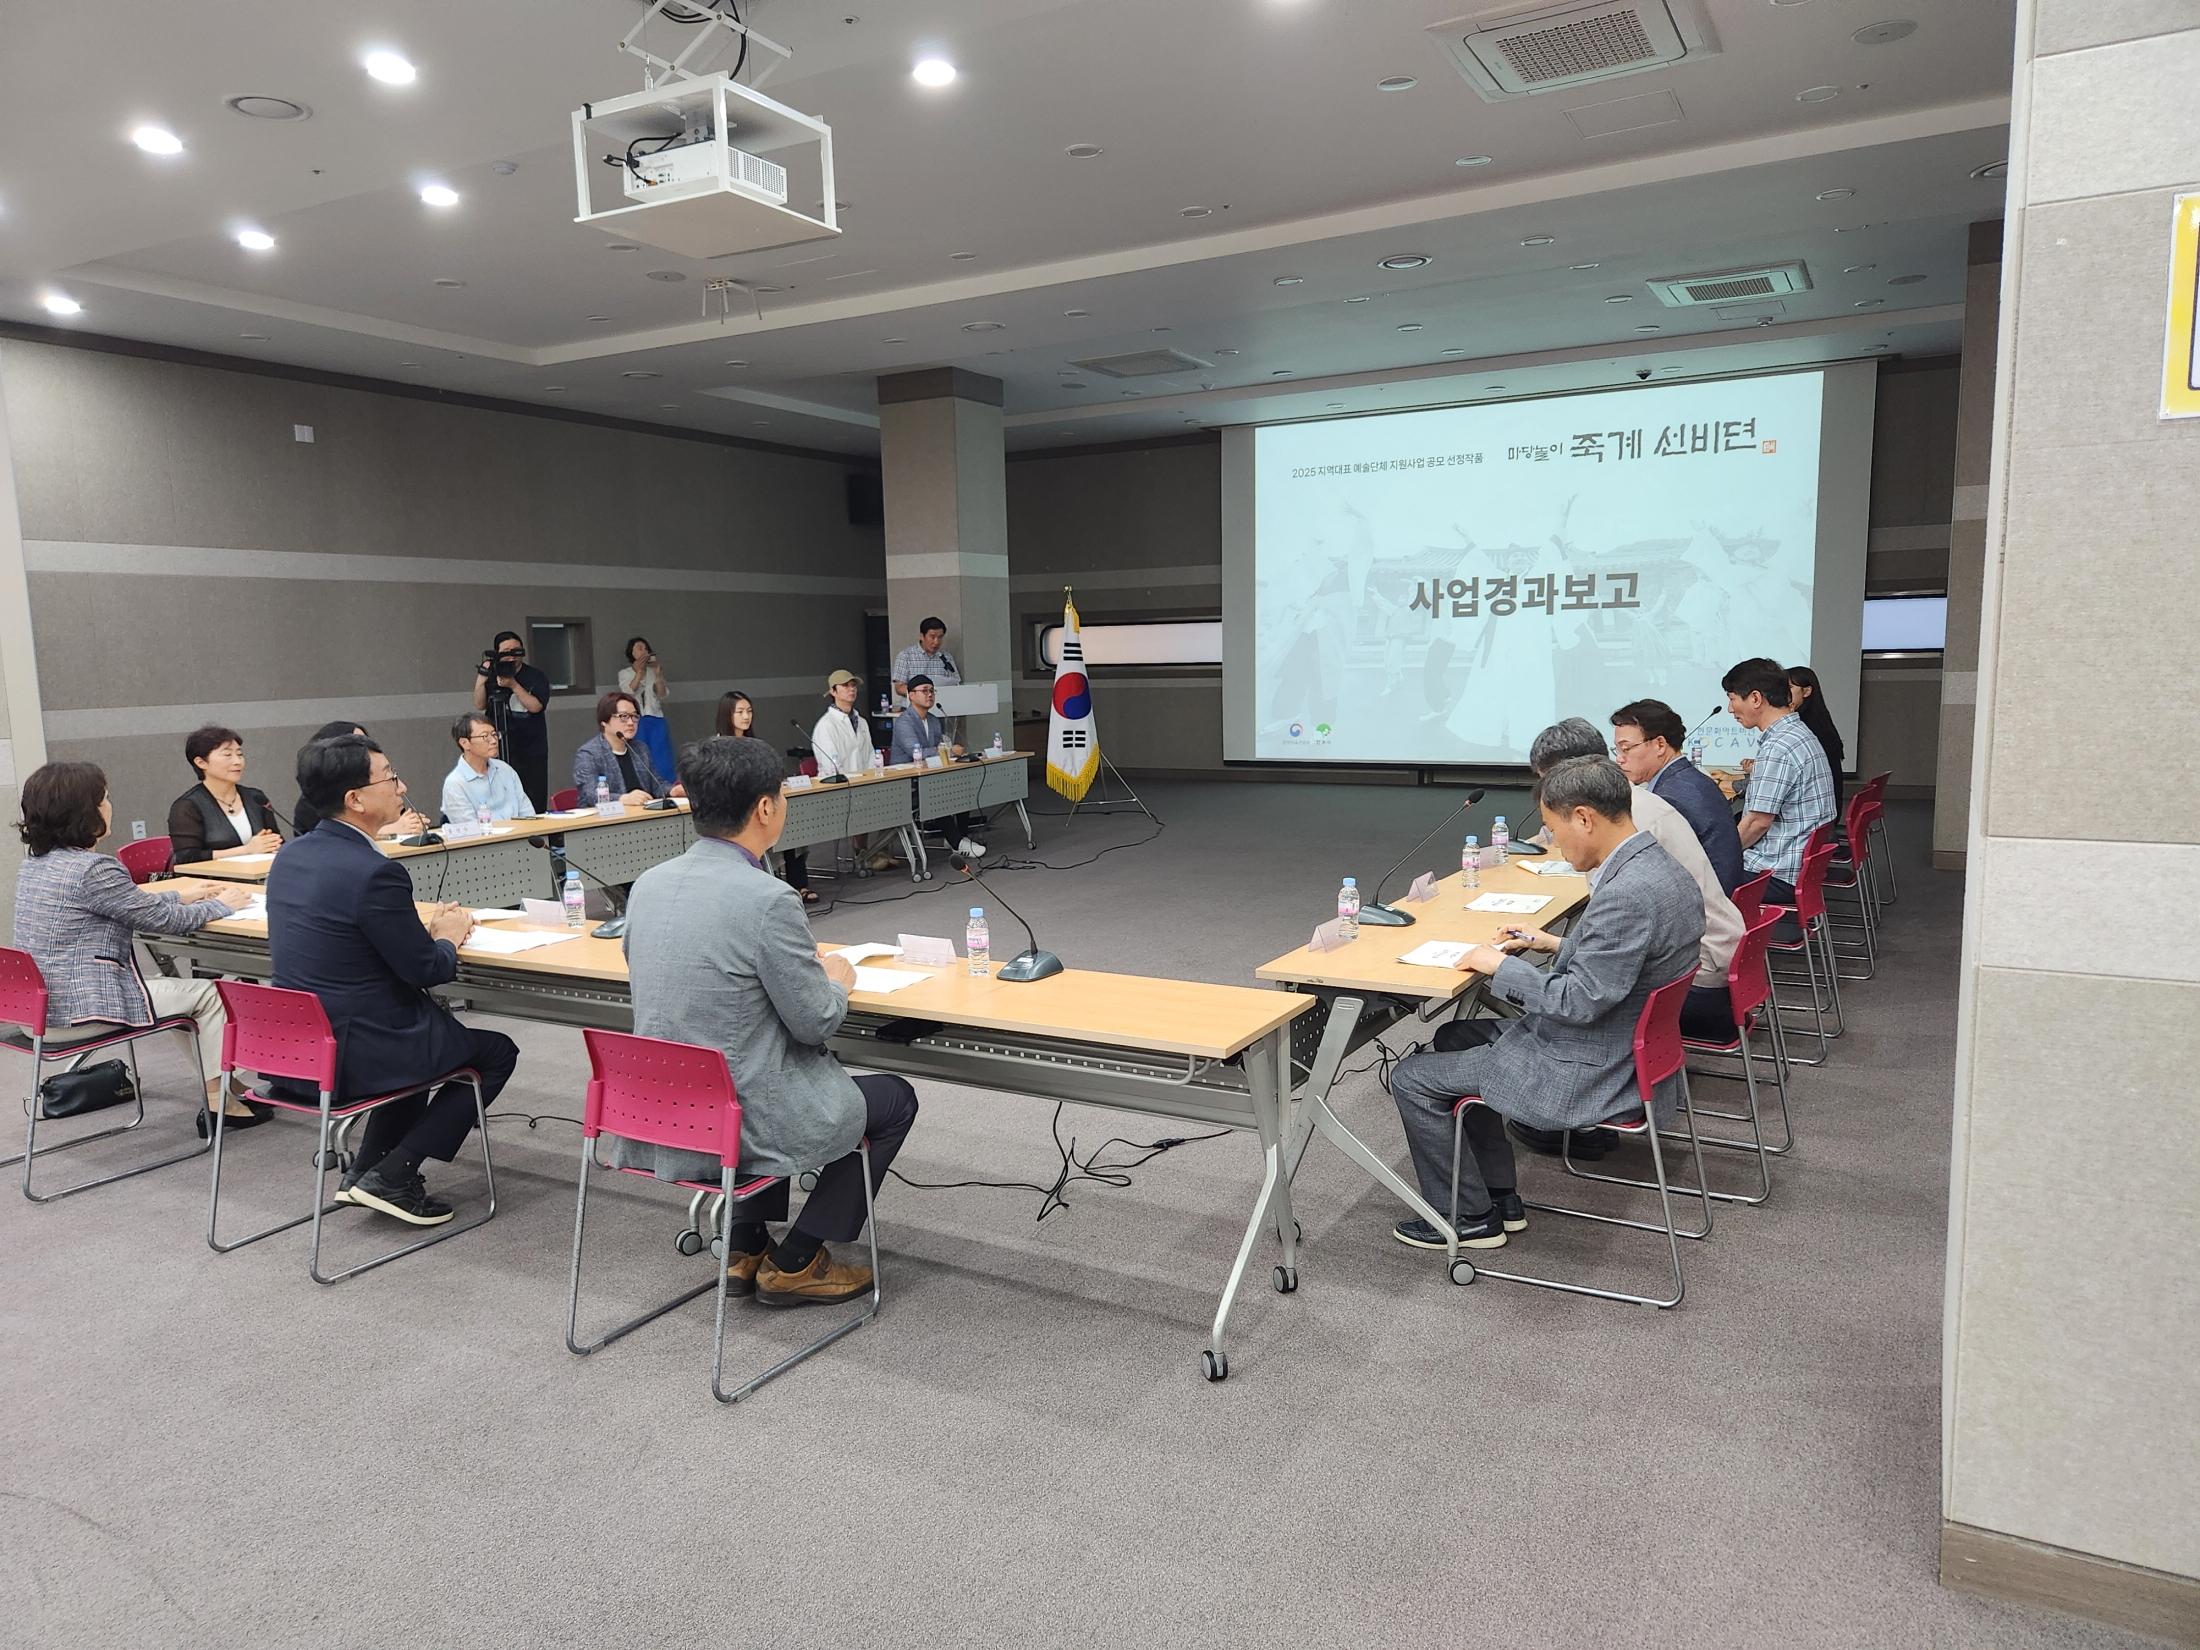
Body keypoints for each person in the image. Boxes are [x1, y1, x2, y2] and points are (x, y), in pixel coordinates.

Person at [618, 735, 918, 1306]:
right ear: (764, 808)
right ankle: (798, 1260)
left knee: (748, 1062)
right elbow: (815, 1023)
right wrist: (837, 980)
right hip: (743, 1114)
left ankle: (744, 1246)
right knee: (894, 1099)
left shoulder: (649, 884)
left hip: (666, 1106)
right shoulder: (769, 898)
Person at [1385, 756, 1704, 1251]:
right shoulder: (1659, 868)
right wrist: (1553, 943)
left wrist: (1499, 967)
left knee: (1411, 1078)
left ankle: (1467, 1218)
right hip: (1630, 1048)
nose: (1553, 840)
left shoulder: (1627, 894)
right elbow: (1627, 964)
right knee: (1455, 1035)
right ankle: (1500, 1199)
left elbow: (1577, 1002)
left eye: (1554, 828)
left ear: (1584, 818)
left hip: (1592, 1066)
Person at [266, 735, 519, 1225]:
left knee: (423, 1045)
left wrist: (418, 933)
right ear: (355, 799)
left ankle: (364, 1173)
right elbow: (427, 970)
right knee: (494, 1053)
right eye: (390, 777)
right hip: (357, 1051)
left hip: (299, 1049)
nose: (401, 787)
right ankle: (395, 1174)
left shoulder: (292, 855)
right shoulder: (373, 872)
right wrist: (447, 937)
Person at [1513, 721, 1743, 1163]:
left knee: (1551, 1004)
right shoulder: (1630, 808)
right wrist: (1560, 946)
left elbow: (1589, 992)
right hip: (1695, 958)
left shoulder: (1637, 825)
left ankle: (1558, 1110)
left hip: (1697, 974)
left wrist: (1512, 971)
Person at [12, 761, 262, 1128]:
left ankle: (229, 1085)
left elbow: (128, 903)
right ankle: (219, 1101)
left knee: (180, 994)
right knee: (208, 995)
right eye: (105, 798)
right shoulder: (93, 869)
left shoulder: (37, 864)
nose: (110, 805)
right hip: (79, 1011)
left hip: (36, 1012)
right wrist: (223, 904)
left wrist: (181, 894)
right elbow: (166, 922)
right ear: (86, 812)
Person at [1722, 657, 1836, 924]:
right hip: (1798, 867)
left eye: (1732, 699)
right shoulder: (1799, 733)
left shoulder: (1779, 747)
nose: (1730, 709)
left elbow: (1757, 823)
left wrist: (1717, 857)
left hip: (1776, 873)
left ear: (1755, 698)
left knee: (1693, 876)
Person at [1609, 698, 1746, 893]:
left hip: (1703, 901)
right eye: (1617, 749)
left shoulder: (1669, 799)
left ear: (1660, 744)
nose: (1619, 758)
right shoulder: (1691, 778)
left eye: (1626, 748)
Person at [719, 691, 813, 905]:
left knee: (790, 823)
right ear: (727, 715)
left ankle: (799, 884)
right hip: (736, 812)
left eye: (749, 711)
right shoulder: (718, 747)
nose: (746, 716)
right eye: (740, 712)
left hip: (760, 805)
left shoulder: (756, 744)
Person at [891, 674, 985, 860]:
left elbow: (936, 750)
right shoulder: (904, 722)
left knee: (961, 785)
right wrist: (948, 751)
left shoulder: (934, 720)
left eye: (932, 691)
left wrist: (950, 752)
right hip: (907, 780)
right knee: (937, 791)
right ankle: (956, 841)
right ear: (911, 695)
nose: (930, 695)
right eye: (925, 691)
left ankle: (959, 837)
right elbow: (916, 752)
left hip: (928, 775)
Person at [293, 721, 429, 840]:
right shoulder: (313, 802)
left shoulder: (379, 784)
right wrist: (388, 830)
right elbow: (331, 837)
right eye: (355, 743)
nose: (402, 788)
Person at [811, 669, 892, 870]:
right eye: (845, 686)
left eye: (853, 685)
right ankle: (863, 853)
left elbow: (869, 755)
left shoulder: (861, 721)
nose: (851, 689)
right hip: (839, 787)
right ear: (833, 691)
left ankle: (878, 850)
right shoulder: (826, 725)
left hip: (863, 782)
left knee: (892, 798)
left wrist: (872, 776)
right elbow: (830, 764)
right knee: (860, 803)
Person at [167, 726, 283, 864]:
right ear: (201, 762)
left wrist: (271, 844)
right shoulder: (187, 806)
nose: (237, 761)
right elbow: (187, 857)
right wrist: (246, 850)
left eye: (240, 754)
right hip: (211, 877)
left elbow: (277, 840)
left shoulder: (255, 797)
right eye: (227, 755)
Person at [471, 631, 553, 812]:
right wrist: (482, 677)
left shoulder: (535, 676)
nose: (512, 655)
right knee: (499, 799)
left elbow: (536, 706)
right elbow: (479, 704)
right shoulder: (493, 674)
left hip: (530, 749)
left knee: (532, 799)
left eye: (516, 650)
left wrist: (513, 685)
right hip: (498, 748)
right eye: (506, 651)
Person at [573, 691, 677, 805]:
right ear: (604, 722)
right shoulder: (589, 754)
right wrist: (623, 799)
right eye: (624, 716)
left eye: (634, 716)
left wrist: (673, 791)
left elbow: (656, 785)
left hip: (641, 813)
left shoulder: (640, 749)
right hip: (606, 815)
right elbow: (590, 794)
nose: (631, 722)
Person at [441, 712, 534, 824]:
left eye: (494, 734)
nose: (494, 741)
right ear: (465, 743)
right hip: (485, 835)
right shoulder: (455, 784)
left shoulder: (505, 770)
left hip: (520, 833)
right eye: (485, 736)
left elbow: (528, 813)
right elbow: (469, 829)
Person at [1785, 665, 1847, 804]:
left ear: (1807, 691)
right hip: (1825, 808)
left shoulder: (1803, 726)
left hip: (1813, 808)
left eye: (1789, 687)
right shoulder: (1819, 719)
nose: (1783, 693)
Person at [619, 636, 676, 778]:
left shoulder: (652, 672)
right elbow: (628, 691)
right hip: (636, 720)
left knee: (661, 755)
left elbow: (662, 694)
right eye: (640, 648)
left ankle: (666, 783)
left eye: (646, 649)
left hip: (655, 717)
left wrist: (658, 675)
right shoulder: (625, 673)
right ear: (632, 653)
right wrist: (639, 672)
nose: (644, 651)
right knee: (639, 755)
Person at [890, 616, 960, 705]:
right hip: (914, 708)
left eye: (940, 637)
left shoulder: (946, 657)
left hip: (941, 706)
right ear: (922, 636)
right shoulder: (906, 656)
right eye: (932, 637)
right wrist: (922, 692)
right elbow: (899, 688)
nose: (936, 642)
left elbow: (956, 683)